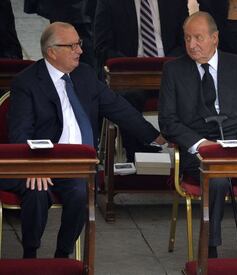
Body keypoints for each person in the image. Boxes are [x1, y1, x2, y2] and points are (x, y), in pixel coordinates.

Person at [1, 22, 165, 258]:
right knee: (36, 190)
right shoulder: (26, 83)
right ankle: (30, 254)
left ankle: (63, 255)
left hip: (75, 165)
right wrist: (33, 166)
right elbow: (19, 132)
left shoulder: (85, 75)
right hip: (41, 161)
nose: (80, 50)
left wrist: (155, 137)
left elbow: (118, 108)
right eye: (73, 46)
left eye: (79, 43)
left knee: (80, 193)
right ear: (52, 52)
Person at [158, 11, 237, 258]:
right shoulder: (173, 70)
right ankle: (210, 249)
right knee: (216, 181)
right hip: (199, 149)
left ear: (215, 38)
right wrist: (200, 144)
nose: (191, 45)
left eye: (198, 38)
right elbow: (167, 121)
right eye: (187, 38)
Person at [94, 0, 189, 161]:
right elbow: (102, 47)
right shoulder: (110, 3)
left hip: (168, 73)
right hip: (130, 77)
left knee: (192, 95)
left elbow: (185, 42)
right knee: (127, 98)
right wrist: (129, 65)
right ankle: (139, 160)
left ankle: (189, 162)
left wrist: (168, 64)